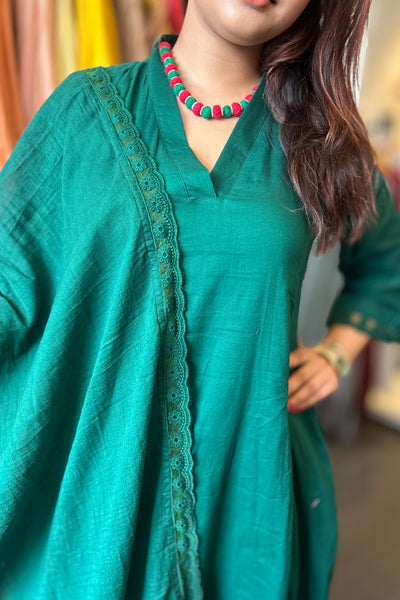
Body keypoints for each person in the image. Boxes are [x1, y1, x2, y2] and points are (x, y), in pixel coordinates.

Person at [1, 0, 400, 598]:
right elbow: (8, 282)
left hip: (252, 485)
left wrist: (336, 352)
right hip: (105, 493)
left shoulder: (317, 138)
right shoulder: (84, 112)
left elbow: (386, 260)